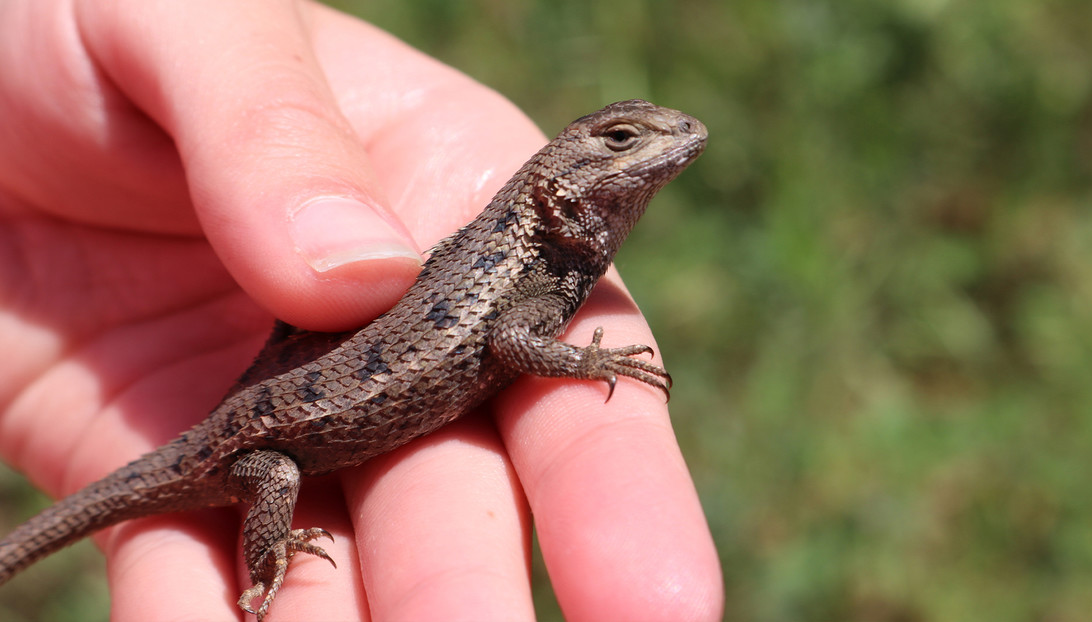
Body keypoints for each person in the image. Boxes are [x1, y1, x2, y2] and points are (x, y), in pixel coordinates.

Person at [0, 1, 723, 620]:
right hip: (262, 446)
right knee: (275, 479)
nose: (673, 137)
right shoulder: (529, 268)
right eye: (622, 140)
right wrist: (589, 361)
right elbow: (513, 338)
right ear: (557, 188)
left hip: (288, 397)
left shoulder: (538, 258)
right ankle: (266, 570)